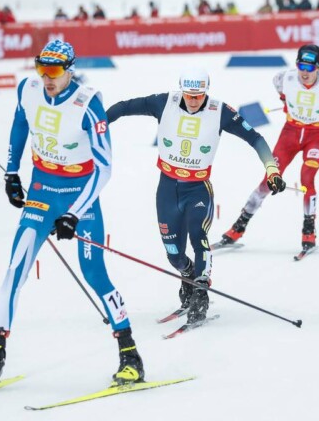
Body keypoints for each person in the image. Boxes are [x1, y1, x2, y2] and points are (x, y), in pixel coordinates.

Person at [0, 40, 145, 387]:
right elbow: (20, 125)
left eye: (54, 71)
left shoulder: (89, 103)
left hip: (80, 195)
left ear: (69, 70)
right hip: (41, 191)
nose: (46, 78)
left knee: (95, 274)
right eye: (42, 68)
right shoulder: (28, 89)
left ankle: (130, 353)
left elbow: (105, 168)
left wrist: (75, 213)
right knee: (15, 271)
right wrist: (11, 172)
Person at [106, 68, 286, 324]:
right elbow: (124, 107)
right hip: (167, 188)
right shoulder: (164, 102)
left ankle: (201, 289)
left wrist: (271, 168)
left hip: (197, 188)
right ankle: (188, 276)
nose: (193, 100)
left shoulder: (220, 110)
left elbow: (255, 138)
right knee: (173, 255)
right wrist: (100, 121)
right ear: (182, 90)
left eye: (198, 96)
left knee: (198, 235)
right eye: (189, 95)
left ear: (206, 92)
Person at [220, 44, 319, 254]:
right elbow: (279, 87)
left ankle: (308, 231)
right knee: (269, 179)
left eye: (310, 68)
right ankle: (239, 226)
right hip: (290, 134)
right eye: (301, 66)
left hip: (316, 136)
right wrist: (285, 101)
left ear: (318, 68)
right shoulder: (285, 77)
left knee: (307, 178)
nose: (304, 72)